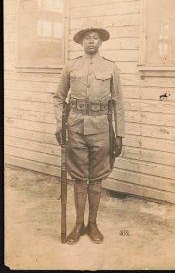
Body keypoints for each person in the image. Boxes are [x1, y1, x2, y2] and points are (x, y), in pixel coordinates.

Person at [53, 27, 125, 244]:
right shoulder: (71, 66)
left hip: (102, 128)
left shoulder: (111, 67)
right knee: (79, 178)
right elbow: (58, 98)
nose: (91, 41)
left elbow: (118, 102)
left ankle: (92, 224)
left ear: (101, 42)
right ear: (81, 42)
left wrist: (119, 133)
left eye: (95, 38)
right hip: (75, 127)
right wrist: (60, 125)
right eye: (87, 38)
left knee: (96, 178)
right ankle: (78, 224)